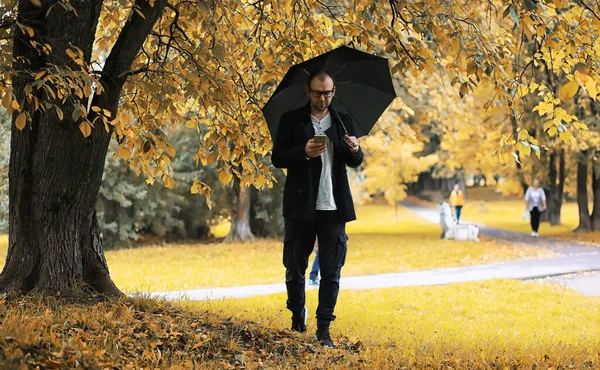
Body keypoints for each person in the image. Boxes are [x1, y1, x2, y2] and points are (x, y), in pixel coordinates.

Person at [271, 69, 363, 348]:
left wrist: (355, 148)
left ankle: (324, 329)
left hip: (334, 207)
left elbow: (355, 162)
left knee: (332, 270)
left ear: (334, 92)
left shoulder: (343, 121)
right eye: (317, 93)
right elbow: (277, 158)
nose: (323, 98)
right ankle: (297, 318)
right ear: (308, 92)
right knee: (295, 266)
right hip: (301, 206)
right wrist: (303, 151)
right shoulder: (291, 120)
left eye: (327, 92)